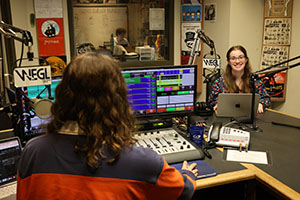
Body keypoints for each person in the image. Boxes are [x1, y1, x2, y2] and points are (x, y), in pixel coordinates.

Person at [17, 52, 198, 199]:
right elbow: (183, 191)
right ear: (119, 100)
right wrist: (187, 175)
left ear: (63, 96)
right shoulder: (143, 161)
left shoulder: (32, 152)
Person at [208, 45, 270, 114]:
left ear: (246, 60)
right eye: (233, 58)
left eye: (241, 57)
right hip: (226, 119)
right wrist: (217, 105)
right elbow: (211, 102)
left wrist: (261, 104)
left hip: (249, 119)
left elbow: (266, 98)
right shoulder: (219, 82)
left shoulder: (255, 81)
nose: (237, 61)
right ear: (228, 61)